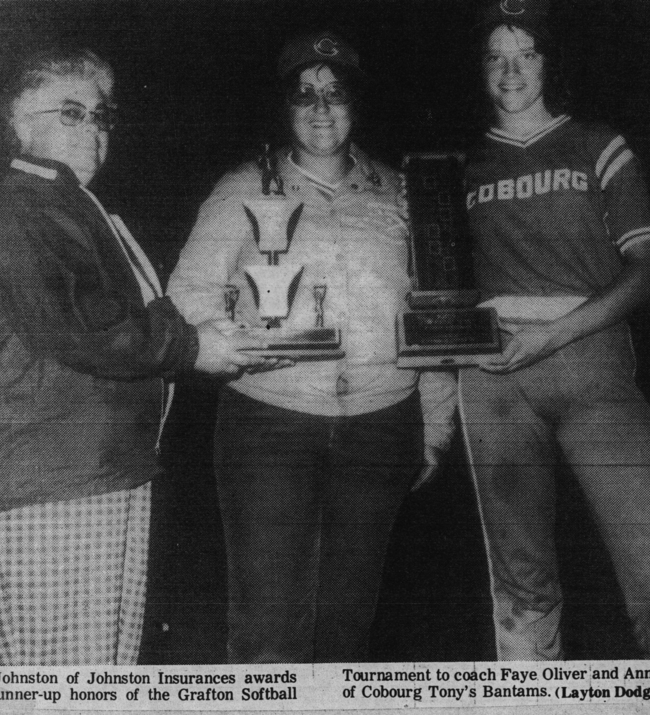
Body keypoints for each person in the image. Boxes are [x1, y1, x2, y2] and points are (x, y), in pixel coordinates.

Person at [0, 47, 269, 666]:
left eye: (101, 115)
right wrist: (197, 345)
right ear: (18, 119)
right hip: (45, 479)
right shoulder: (20, 209)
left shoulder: (62, 204)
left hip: (92, 469)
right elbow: (90, 333)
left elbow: (107, 322)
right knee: (50, 682)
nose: (93, 129)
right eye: (72, 112)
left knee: (95, 674)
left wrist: (196, 327)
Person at [167, 30, 457, 663]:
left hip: (382, 427)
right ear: (284, 107)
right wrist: (232, 342)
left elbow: (433, 312)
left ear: (358, 104)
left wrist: (434, 424)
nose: (321, 110)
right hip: (269, 424)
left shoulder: (401, 193)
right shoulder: (243, 188)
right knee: (268, 617)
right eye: (305, 96)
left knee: (349, 615)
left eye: (336, 94)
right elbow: (188, 288)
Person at [459, 0, 650, 660]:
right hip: (494, 380)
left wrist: (554, 333)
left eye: (525, 53)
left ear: (547, 62)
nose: (510, 70)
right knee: (522, 583)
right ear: (482, 70)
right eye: (496, 57)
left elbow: (649, 269)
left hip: (590, 364)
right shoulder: (464, 169)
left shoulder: (597, 143)